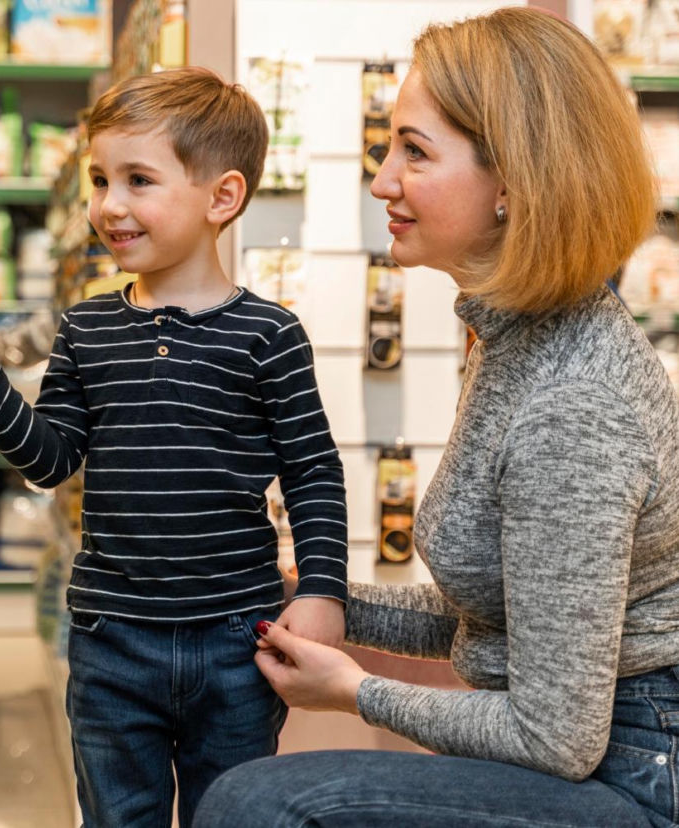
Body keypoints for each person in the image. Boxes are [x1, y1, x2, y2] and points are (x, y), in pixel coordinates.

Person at [193, 8, 679, 828]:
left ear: (513, 185)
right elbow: (495, 613)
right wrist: (300, 595)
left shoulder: (573, 403)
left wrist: (355, 692)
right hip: (599, 752)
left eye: (414, 152)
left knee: (258, 807)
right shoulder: (515, 334)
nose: (382, 179)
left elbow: (557, 736)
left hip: (630, 775)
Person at [0, 65, 348, 828]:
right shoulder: (86, 328)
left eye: (139, 180)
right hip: (110, 642)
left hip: (238, 640)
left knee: (232, 815)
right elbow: (51, 459)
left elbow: (312, 470)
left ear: (223, 197)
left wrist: (322, 590)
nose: (109, 205)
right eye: (101, 179)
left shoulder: (269, 336)